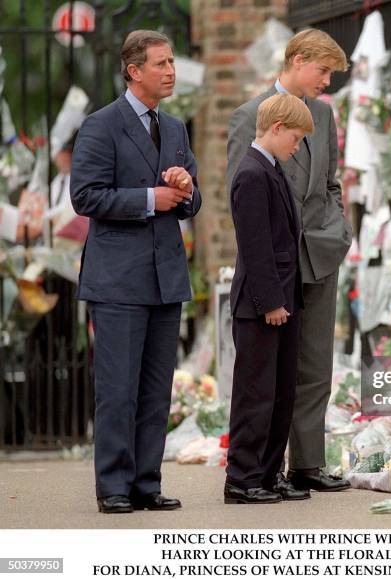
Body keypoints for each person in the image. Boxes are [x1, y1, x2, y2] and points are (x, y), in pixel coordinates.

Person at [70, 30, 202, 514]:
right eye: (162, 64)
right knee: (118, 389)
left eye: (172, 63)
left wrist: (185, 187)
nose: (170, 72)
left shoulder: (175, 129)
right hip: (118, 279)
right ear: (134, 71)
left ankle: (148, 482)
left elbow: (193, 202)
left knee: (155, 390)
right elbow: (85, 196)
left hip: (166, 276)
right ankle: (114, 486)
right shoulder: (101, 126)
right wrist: (151, 198)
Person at [226, 29, 352, 493]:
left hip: (321, 254)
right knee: (268, 371)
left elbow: (332, 182)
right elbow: (242, 193)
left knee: (315, 364)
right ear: (297, 60)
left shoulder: (324, 115)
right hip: (277, 260)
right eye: (322, 71)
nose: (327, 82)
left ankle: (307, 463)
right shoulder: (250, 116)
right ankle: (262, 470)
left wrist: (340, 230)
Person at [225, 93, 314, 504]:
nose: (297, 147)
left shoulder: (272, 168)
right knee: (256, 392)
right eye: (295, 138)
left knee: (281, 391)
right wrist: (271, 301)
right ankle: (242, 478)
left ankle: (269, 471)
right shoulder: (251, 173)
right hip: (262, 304)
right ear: (276, 128)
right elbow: (256, 246)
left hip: (283, 300)